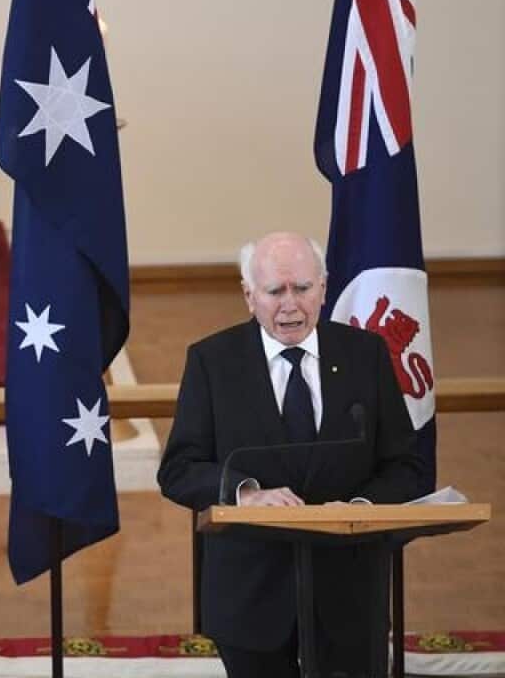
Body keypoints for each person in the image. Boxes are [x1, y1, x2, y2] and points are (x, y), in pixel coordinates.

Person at [157, 231, 425, 678]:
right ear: (249, 295)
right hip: (250, 598)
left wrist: (360, 509)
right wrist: (244, 494)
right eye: (274, 291)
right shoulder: (212, 361)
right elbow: (179, 470)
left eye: (302, 289)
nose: (290, 305)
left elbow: (408, 466)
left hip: (349, 594)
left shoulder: (366, 355)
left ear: (323, 288)